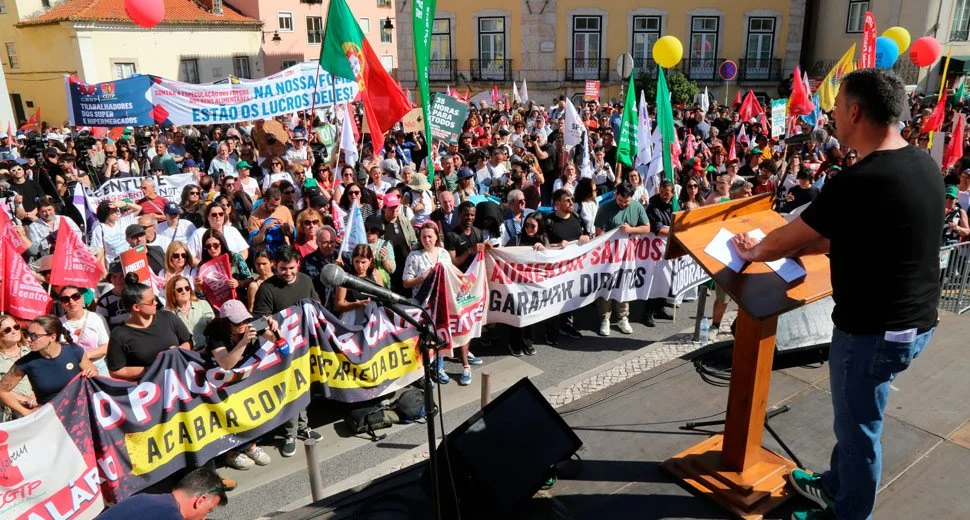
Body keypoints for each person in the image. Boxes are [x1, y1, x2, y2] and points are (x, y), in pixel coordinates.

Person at [731, 69, 943, 520]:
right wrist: (794, 244)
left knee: (858, 431)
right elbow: (847, 235)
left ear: (854, 111)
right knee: (860, 417)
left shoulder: (860, 181)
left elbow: (782, 240)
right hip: (914, 324)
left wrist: (755, 249)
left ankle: (849, 512)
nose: (830, 114)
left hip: (872, 332)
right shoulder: (922, 162)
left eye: (836, 105)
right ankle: (833, 485)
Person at [252, 246, 321, 457]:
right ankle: (289, 433)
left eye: (291, 268)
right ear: (275, 265)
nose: (288, 273)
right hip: (281, 350)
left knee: (304, 387)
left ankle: (303, 426)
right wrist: (277, 336)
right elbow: (259, 323)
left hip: (304, 345)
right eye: (283, 269)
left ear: (298, 263)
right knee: (291, 391)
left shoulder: (306, 281)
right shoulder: (267, 288)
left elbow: (316, 305)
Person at [203, 300, 277, 470]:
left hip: (245, 375)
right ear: (226, 323)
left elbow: (275, 339)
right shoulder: (215, 335)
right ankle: (232, 453)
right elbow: (226, 364)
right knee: (231, 415)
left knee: (249, 410)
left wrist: (274, 328)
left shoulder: (252, 323)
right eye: (238, 322)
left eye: (245, 320)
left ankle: (251, 446)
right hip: (221, 379)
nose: (243, 325)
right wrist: (243, 342)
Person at [0, 315, 97, 413]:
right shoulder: (26, 362)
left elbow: (94, 373)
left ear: (52, 337)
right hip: (51, 419)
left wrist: (92, 373)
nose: (28, 339)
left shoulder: (74, 351)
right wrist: (26, 412)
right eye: (27, 334)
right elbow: (2, 390)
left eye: (34, 336)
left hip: (80, 413)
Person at [107, 274, 193, 381]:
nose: (156, 303)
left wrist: (175, 353)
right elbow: (115, 371)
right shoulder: (119, 334)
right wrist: (152, 368)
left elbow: (188, 341)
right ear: (136, 307)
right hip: (149, 389)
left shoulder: (168, 317)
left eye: (155, 299)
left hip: (180, 379)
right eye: (151, 301)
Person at [593, 182, 652, 336]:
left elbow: (646, 227)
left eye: (627, 202)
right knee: (607, 286)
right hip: (609, 256)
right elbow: (599, 233)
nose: (623, 204)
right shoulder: (605, 209)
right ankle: (605, 318)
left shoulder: (637, 207)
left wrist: (631, 230)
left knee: (624, 284)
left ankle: (622, 317)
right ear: (615, 195)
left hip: (628, 256)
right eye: (620, 200)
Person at [443, 201, 487, 385]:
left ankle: (465, 351)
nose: (469, 218)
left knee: (471, 320)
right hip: (458, 287)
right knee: (463, 322)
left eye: (472, 215)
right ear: (459, 214)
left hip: (474, 285)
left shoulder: (477, 232)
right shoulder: (451, 235)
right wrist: (469, 251)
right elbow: (453, 263)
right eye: (466, 215)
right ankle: (465, 365)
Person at [543, 189, 590, 342]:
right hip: (555, 270)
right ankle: (549, 330)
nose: (571, 202)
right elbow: (543, 246)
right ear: (557, 204)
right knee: (553, 299)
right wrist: (557, 245)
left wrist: (585, 236)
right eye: (567, 200)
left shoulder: (576, 217)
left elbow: (586, 234)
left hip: (574, 268)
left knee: (569, 297)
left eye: (572, 199)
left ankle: (566, 325)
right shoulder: (548, 221)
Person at [95, 467, 227, 520]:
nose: (204, 518)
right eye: (209, 510)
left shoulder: (142, 498)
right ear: (201, 500)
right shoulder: (170, 516)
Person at [509, 213, 549, 356]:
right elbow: (504, 253)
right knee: (517, 314)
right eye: (526, 225)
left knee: (530, 315)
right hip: (516, 284)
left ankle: (528, 342)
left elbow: (550, 260)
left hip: (533, 285)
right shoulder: (517, 239)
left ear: (539, 226)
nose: (529, 228)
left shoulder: (543, 240)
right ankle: (515, 343)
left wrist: (543, 249)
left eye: (533, 226)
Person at [644, 181, 676, 327]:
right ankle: (648, 313)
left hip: (668, 248)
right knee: (654, 281)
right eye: (662, 192)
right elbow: (657, 229)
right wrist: (674, 231)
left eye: (667, 193)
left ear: (672, 193)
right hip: (654, 251)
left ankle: (660, 308)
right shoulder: (653, 207)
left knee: (666, 278)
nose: (664, 195)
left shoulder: (674, 205)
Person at [58, 285, 110, 375]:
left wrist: (83, 357)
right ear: (61, 303)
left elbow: (106, 347)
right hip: (72, 370)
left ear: (82, 298)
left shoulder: (97, 318)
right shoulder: (57, 324)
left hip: (99, 368)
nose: (71, 301)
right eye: (65, 299)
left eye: (75, 296)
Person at [0, 314, 35, 421]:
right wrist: (24, 399)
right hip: (11, 413)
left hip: (37, 406)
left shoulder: (32, 350)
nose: (13, 331)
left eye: (16, 327)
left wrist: (34, 396)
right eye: (7, 330)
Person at [165, 276, 215, 351]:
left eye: (187, 288)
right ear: (172, 293)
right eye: (179, 290)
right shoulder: (169, 314)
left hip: (207, 350)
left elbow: (214, 329)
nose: (184, 291)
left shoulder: (203, 304)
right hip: (186, 355)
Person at [91, 199, 143, 266]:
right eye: (114, 211)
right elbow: (100, 252)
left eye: (117, 210)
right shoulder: (99, 228)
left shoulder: (123, 220)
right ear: (106, 214)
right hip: (114, 267)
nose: (118, 213)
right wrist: (104, 272)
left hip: (131, 262)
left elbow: (139, 208)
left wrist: (124, 203)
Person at [299, 227, 339, 305]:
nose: (329, 246)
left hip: (339, 308)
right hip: (319, 306)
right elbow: (305, 286)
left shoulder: (342, 257)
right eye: (325, 242)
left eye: (332, 242)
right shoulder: (308, 261)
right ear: (317, 242)